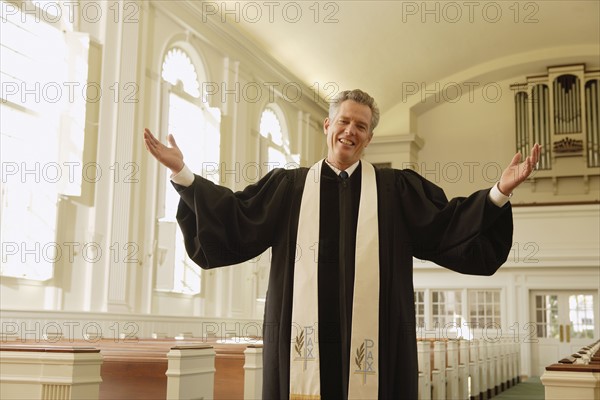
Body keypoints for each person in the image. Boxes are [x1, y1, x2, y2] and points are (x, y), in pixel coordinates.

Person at [144, 89, 540, 399]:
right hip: (299, 338)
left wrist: (498, 192)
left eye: (361, 126)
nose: (351, 131)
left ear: (369, 137)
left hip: (378, 338)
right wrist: (183, 173)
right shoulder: (288, 187)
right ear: (327, 124)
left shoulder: (396, 189)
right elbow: (235, 217)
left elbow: (446, 225)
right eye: (344, 121)